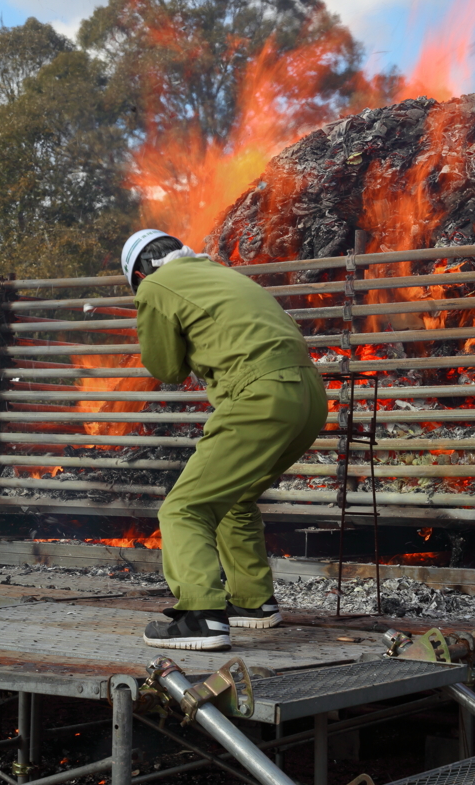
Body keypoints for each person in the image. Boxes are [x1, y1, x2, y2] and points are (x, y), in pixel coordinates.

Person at [120, 228, 328, 651]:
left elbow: (166, 368)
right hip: (308, 396)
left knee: (184, 508)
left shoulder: (154, 286)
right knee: (234, 499)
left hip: (260, 394)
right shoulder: (220, 273)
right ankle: (253, 603)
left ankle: (200, 617)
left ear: (139, 274)